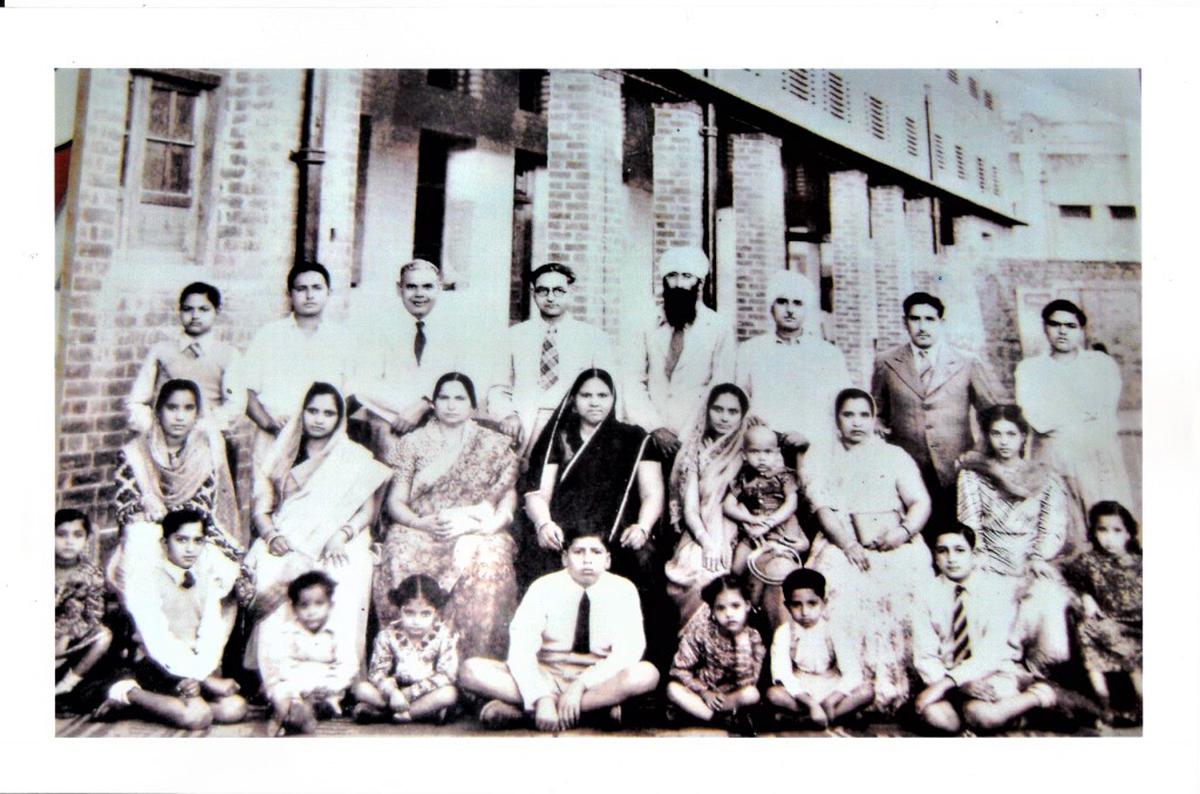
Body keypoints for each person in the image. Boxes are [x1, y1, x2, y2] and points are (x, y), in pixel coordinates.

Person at [803, 388, 933, 713]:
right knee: (837, 585)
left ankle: (907, 686)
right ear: (837, 420)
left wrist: (902, 532)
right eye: (848, 415)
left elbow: (919, 502)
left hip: (895, 543)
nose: (856, 422)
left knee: (910, 587)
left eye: (864, 415)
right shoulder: (823, 457)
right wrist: (848, 545)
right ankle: (851, 684)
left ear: (874, 419)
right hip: (845, 543)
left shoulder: (894, 456)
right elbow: (824, 510)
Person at [246, 382, 391, 671]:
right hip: (287, 534)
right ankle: (277, 672)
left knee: (346, 570)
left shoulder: (352, 456)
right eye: (312, 411)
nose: (319, 418)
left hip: (341, 535)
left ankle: (339, 673)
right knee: (268, 566)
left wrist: (341, 534)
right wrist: (271, 536)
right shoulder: (281, 454)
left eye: (328, 413)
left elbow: (366, 509)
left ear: (339, 419)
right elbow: (261, 510)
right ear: (302, 413)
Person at [375, 372, 520, 660]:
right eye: (444, 397)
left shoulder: (494, 443)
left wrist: (493, 524)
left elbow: (507, 494)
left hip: (477, 528)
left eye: (459, 398)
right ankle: (407, 659)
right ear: (433, 403)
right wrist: (420, 523)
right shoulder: (413, 443)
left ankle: (475, 663)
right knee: (399, 549)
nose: (451, 405)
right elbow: (396, 502)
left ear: (473, 406)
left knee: (491, 558)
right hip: (423, 526)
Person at [457, 528, 660, 732]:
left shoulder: (623, 590)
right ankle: (588, 712)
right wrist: (541, 695)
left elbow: (629, 652)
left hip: (598, 681)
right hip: (548, 676)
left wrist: (581, 685)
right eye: (579, 552)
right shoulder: (543, 587)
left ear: (607, 560)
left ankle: (532, 713)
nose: (587, 559)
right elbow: (522, 648)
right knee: (471, 671)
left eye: (596, 552)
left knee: (646, 674)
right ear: (564, 558)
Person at [520, 368, 665, 625]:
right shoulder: (557, 437)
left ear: (613, 398)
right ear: (574, 400)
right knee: (540, 555)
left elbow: (652, 494)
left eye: (602, 395)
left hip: (618, 534)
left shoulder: (636, 438)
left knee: (644, 559)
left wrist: (642, 527)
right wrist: (544, 524)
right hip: (564, 532)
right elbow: (537, 494)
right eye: (586, 395)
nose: (595, 401)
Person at [97, 509, 248, 730]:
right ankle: (130, 694)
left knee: (234, 708)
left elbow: (212, 633)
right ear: (164, 542)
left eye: (197, 541)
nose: (190, 548)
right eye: (181, 540)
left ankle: (154, 708)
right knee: (197, 717)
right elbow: (158, 641)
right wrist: (205, 681)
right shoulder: (146, 580)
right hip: (154, 666)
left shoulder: (205, 579)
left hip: (192, 667)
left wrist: (200, 674)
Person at [957, 404, 1080, 667]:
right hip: (989, 559)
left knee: (1046, 599)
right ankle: (1000, 668)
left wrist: (1037, 557)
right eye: (996, 434)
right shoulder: (972, 475)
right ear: (987, 437)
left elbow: (1052, 525)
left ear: (1023, 436)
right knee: (984, 601)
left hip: (1030, 560)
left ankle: (1037, 669)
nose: (1003, 441)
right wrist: (979, 555)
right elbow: (970, 523)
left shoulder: (1045, 477)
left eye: (1011, 434)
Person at [872, 291, 1002, 524]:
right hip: (908, 470)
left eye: (929, 319)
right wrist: (880, 430)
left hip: (956, 468)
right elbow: (877, 412)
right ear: (905, 322)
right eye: (915, 319)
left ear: (941, 323)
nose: (922, 326)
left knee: (957, 530)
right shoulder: (887, 361)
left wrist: (977, 453)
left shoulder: (966, 362)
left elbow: (991, 414)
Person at [109, 379, 247, 591]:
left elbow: (201, 509)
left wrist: (167, 516)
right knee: (143, 545)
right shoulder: (135, 453)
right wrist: (146, 504)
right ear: (158, 411)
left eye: (188, 408)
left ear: (197, 414)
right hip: (149, 531)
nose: (180, 416)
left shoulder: (206, 454)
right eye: (172, 407)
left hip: (192, 533)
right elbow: (126, 509)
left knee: (219, 569)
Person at [354, 259, 486, 458]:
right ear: (399, 289)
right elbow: (364, 382)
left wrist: (425, 404)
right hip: (391, 424)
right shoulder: (378, 329)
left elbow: (468, 379)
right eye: (411, 287)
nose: (419, 294)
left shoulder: (458, 330)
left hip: (442, 425)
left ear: (439, 288)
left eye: (427, 287)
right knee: (394, 481)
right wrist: (405, 411)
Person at [1015, 299, 1134, 515]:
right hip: (1052, 456)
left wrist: (1060, 411)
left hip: (1096, 455)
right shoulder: (1030, 369)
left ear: (1080, 330)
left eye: (1070, 326)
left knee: (1102, 516)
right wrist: (1081, 413)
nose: (1062, 332)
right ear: (1044, 327)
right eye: (1055, 324)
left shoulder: (1100, 364)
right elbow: (1038, 419)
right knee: (1059, 518)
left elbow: (1104, 410)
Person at [911, 524, 1033, 735]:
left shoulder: (996, 591)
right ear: (935, 556)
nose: (951, 558)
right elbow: (925, 655)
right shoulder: (926, 593)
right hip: (944, 677)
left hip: (989, 675)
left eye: (959, 550)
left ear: (974, 555)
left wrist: (951, 683)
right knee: (936, 717)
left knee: (982, 715)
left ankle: (1036, 696)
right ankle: (970, 723)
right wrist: (951, 684)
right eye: (943, 551)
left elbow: (991, 654)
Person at [488, 263, 616, 457]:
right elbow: (498, 388)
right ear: (533, 293)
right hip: (526, 426)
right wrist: (507, 414)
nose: (550, 297)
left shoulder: (594, 338)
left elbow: (608, 392)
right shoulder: (513, 336)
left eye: (558, 291)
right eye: (543, 291)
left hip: (575, 427)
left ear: (571, 292)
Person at [239, 262, 357, 465]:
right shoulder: (270, 335)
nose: (309, 295)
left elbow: (354, 394)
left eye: (316, 288)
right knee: (268, 494)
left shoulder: (343, 338)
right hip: (275, 439)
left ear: (328, 292)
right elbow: (246, 391)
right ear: (290, 294)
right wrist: (269, 424)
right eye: (301, 289)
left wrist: (323, 425)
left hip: (325, 444)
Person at [625, 246, 736, 457]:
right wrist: (655, 427)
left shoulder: (718, 327)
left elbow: (720, 385)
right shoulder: (644, 324)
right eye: (672, 276)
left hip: (699, 436)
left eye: (687, 276)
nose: (678, 283)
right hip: (649, 435)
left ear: (699, 282)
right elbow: (632, 380)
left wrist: (688, 435)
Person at [735, 269, 851, 463]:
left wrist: (810, 438)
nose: (789, 310)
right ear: (771, 307)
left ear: (807, 309)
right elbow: (739, 400)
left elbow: (841, 408)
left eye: (797, 303)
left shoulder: (828, 355)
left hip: (815, 451)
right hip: (765, 454)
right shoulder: (750, 351)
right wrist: (750, 416)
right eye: (782, 302)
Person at [663, 383, 754, 622]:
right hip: (701, 530)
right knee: (698, 570)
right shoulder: (693, 451)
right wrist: (707, 541)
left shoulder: (750, 448)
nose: (724, 417)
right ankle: (693, 645)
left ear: (742, 415)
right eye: (718, 409)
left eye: (733, 412)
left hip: (744, 530)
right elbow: (690, 508)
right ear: (707, 411)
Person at [125, 281, 244, 438]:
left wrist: (202, 428)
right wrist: (151, 426)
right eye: (188, 309)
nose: (195, 316)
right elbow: (137, 399)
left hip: (208, 437)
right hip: (162, 436)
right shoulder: (161, 351)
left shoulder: (229, 354)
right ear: (179, 310)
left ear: (217, 310)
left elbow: (235, 405)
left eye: (203, 309)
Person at [1061, 501, 1142, 720]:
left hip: (1140, 625)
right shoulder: (1090, 562)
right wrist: (1086, 597)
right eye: (1102, 530)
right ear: (1093, 532)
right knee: (1088, 629)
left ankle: (1142, 701)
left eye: (1117, 531)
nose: (1109, 538)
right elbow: (1068, 576)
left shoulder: (1140, 562)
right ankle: (1104, 703)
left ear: (1129, 533)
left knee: (1123, 642)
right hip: (1110, 623)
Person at [766, 568, 871, 729]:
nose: (805, 612)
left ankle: (804, 721)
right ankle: (832, 716)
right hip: (801, 689)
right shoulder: (785, 633)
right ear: (787, 606)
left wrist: (832, 699)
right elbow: (783, 674)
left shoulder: (834, 629)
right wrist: (811, 704)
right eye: (796, 605)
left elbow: (852, 672)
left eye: (812, 603)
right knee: (774, 694)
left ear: (824, 602)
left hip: (831, 686)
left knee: (866, 691)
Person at [257, 571, 358, 736]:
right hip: (294, 683)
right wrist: (296, 688)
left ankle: (301, 716)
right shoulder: (288, 631)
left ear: (330, 605)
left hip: (324, 685)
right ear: (294, 608)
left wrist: (330, 686)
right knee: (280, 691)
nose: (311, 611)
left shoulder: (338, 632)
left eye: (319, 604)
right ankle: (286, 712)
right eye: (304, 605)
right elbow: (280, 661)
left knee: (328, 702)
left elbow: (347, 665)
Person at [725, 424, 806, 625]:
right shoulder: (743, 479)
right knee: (736, 566)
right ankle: (746, 605)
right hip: (753, 531)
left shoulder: (784, 476)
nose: (761, 458)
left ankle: (767, 608)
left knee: (780, 562)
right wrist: (750, 520)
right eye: (754, 452)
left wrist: (769, 523)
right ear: (744, 454)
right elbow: (728, 506)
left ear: (777, 453)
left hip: (780, 528)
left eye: (767, 452)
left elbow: (791, 503)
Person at [352, 574, 460, 725]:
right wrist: (393, 692)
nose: (416, 621)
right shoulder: (388, 636)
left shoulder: (443, 636)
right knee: (361, 689)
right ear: (399, 609)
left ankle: (398, 714)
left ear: (436, 612)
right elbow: (377, 672)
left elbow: (446, 675)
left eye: (425, 614)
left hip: (426, 692)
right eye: (409, 613)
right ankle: (417, 713)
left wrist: (410, 693)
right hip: (394, 692)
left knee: (450, 694)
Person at [665, 575, 764, 736]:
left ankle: (712, 717)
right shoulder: (701, 632)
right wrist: (704, 692)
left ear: (746, 605)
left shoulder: (753, 637)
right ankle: (720, 721)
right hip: (702, 695)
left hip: (731, 698)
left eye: (735, 606)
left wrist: (741, 642)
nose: (729, 614)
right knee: (672, 689)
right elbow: (679, 670)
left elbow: (748, 681)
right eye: (721, 608)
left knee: (752, 694)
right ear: (712, 610)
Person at [55, 508, 113, 712]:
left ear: (87, 539)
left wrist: (68, 634)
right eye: (61, 534)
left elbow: (94, 615)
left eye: (77, 535)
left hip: (69, 640)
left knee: (103, 635)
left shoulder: (91, 574)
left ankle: (64, 688)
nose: (69, 541)